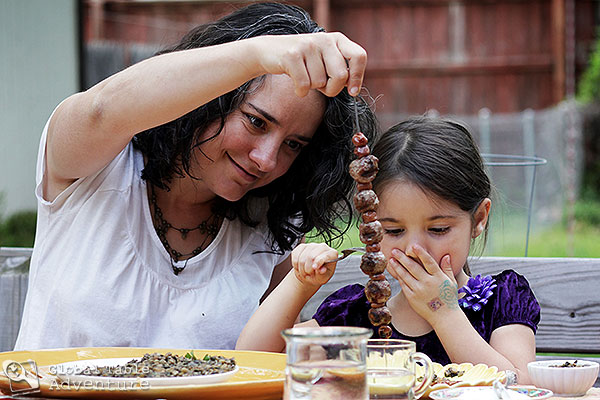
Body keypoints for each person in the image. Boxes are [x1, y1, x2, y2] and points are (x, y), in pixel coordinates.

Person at [14, 2, 378, 350]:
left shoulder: (272, 225)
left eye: (293, 144)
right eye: (256, 122)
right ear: (209, 100)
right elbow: (102, 109)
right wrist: (259, 54)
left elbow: (271, 363)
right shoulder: (95, 164)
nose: (267, 160)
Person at [236, 116, 541, 384]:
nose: (413, 248)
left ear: (479, 219)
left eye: (438, 229)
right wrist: (299, 283)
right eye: (394, 231)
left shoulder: (502, 300)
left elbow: (521, 386)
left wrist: (444, 312)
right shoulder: (356, 315)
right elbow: (251, 361)